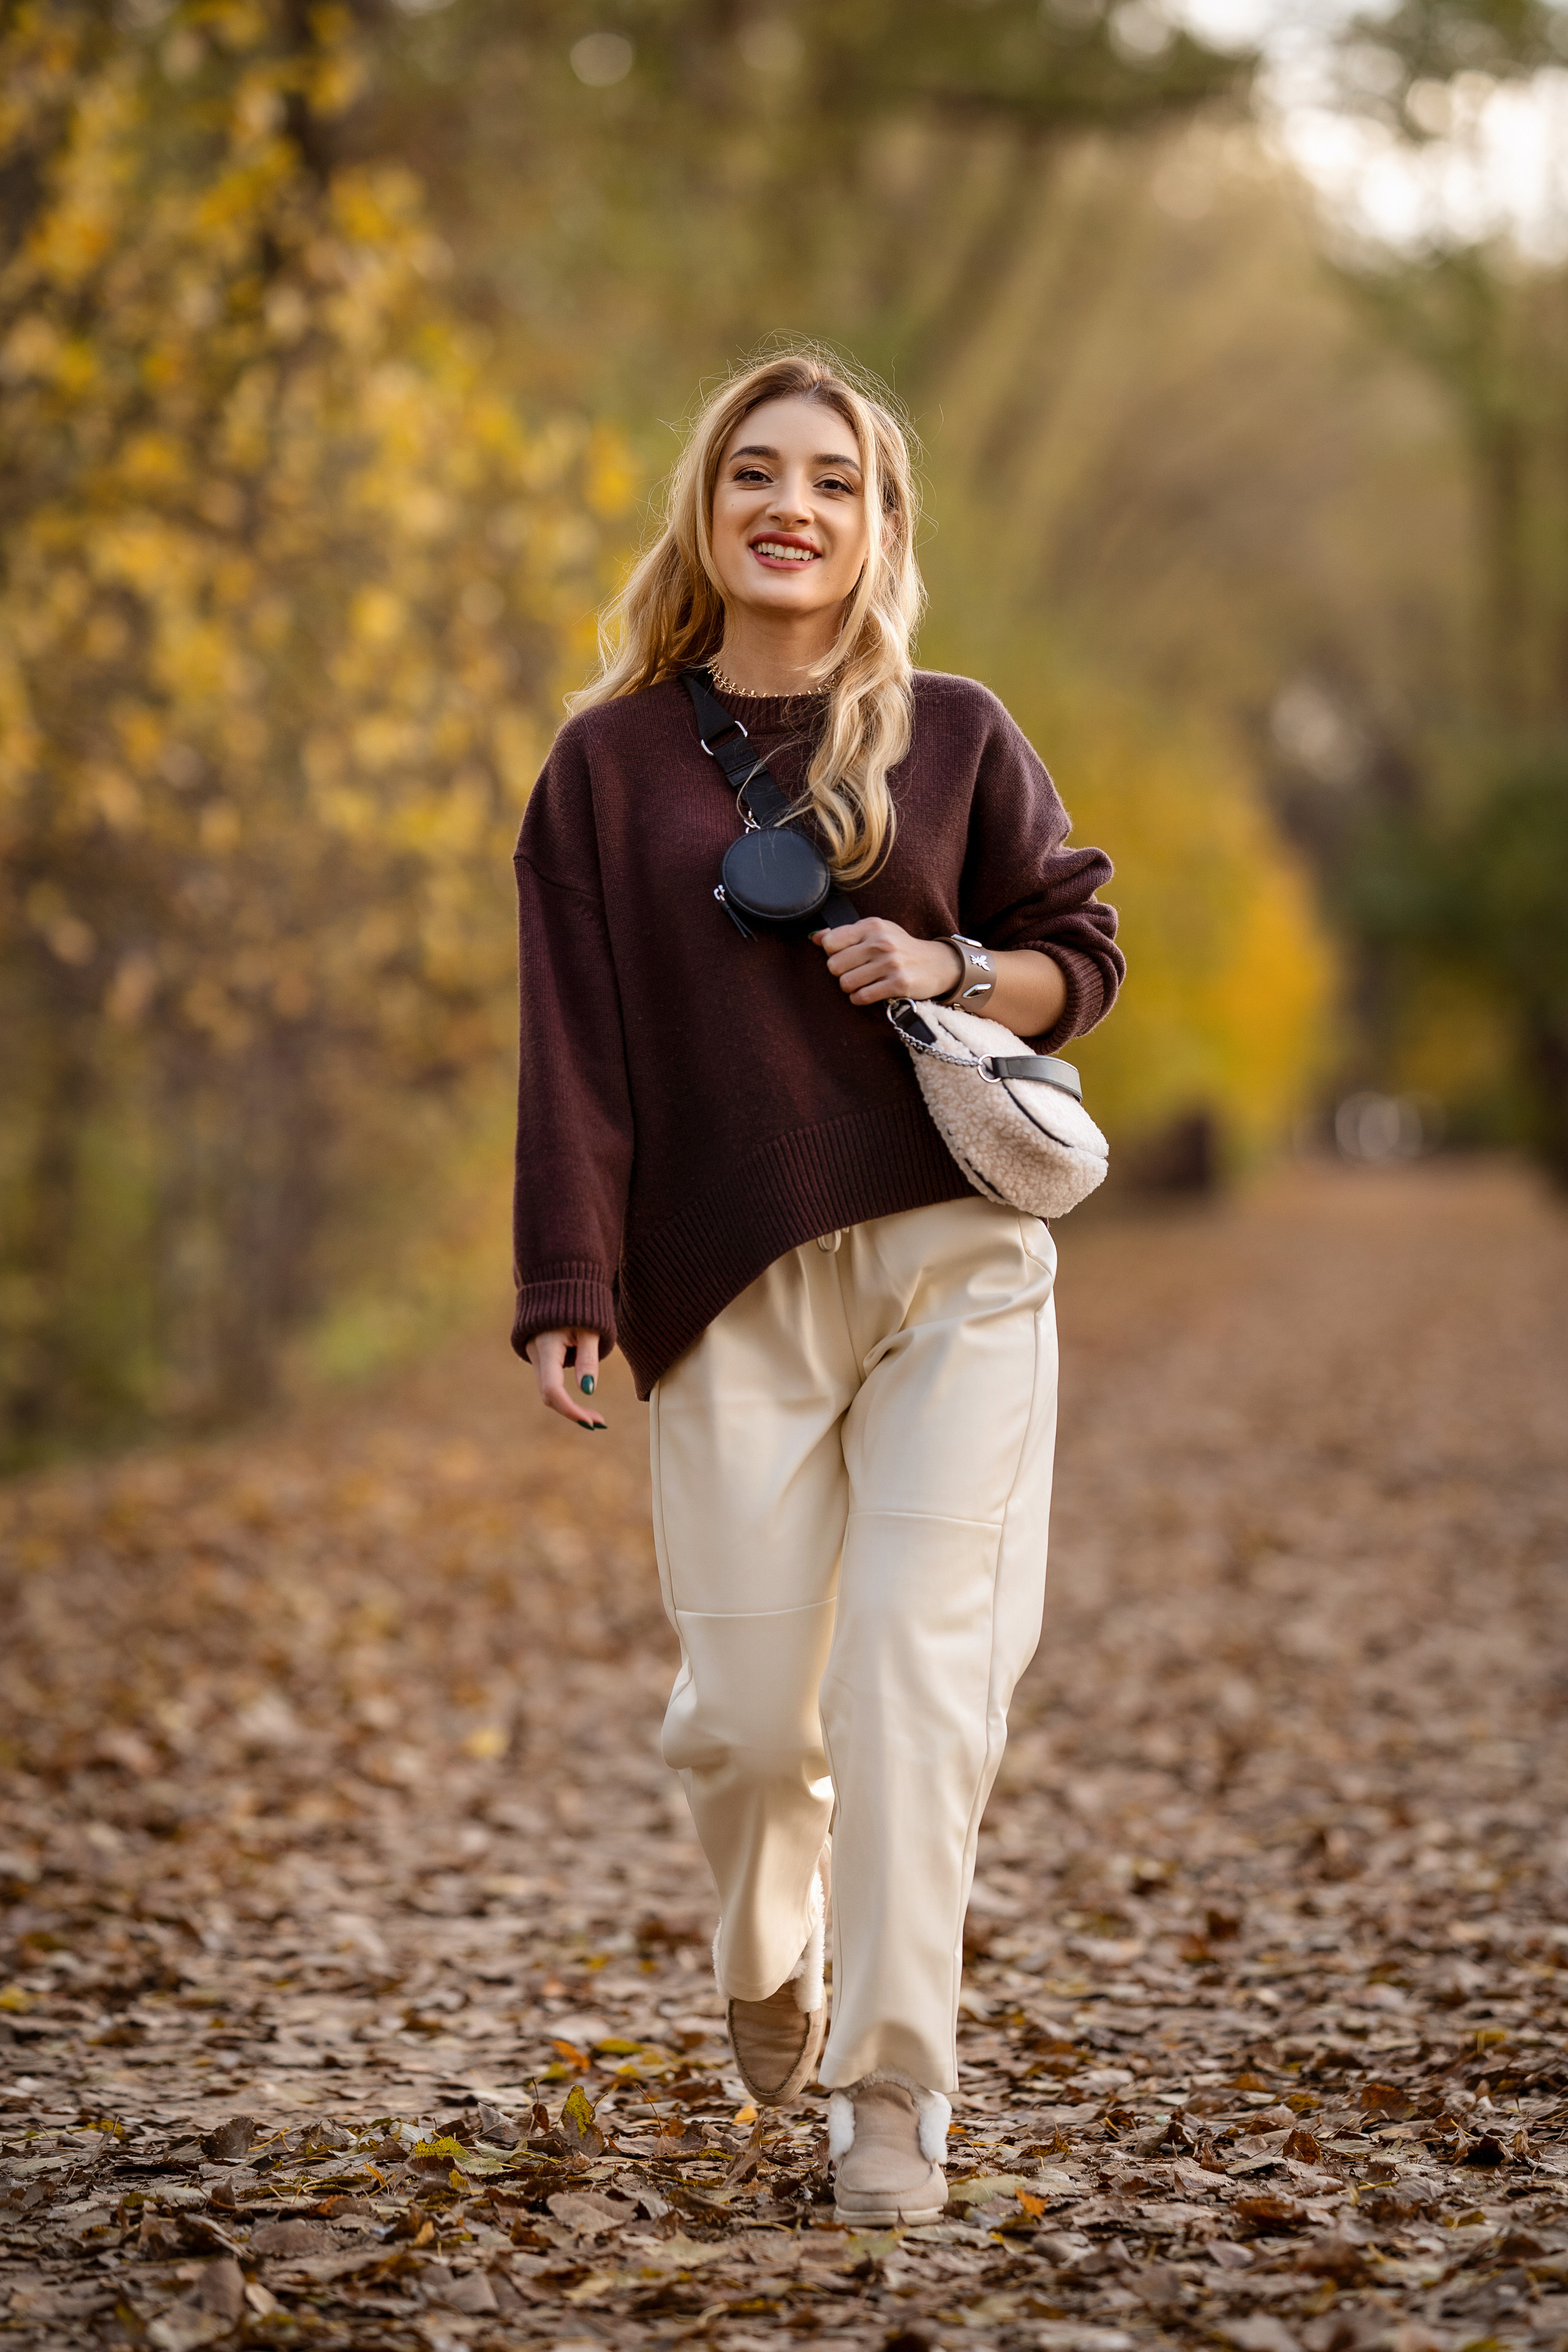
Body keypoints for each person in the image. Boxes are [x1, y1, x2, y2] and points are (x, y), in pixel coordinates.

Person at [512, 350, 1123, 2225]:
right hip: (725, 1280)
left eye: (835, 482)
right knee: (755, 1723)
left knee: (916, 1678)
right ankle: (767, 1945)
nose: (794, 504)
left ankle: (893, 2087)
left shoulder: (955, 731)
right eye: (757, 473)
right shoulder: (607, 766)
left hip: (957, 1254)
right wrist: (568, 1272)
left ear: (880, 530)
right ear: (707, 512)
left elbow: (1075, 949)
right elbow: (575, 1044)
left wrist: (949, 966)